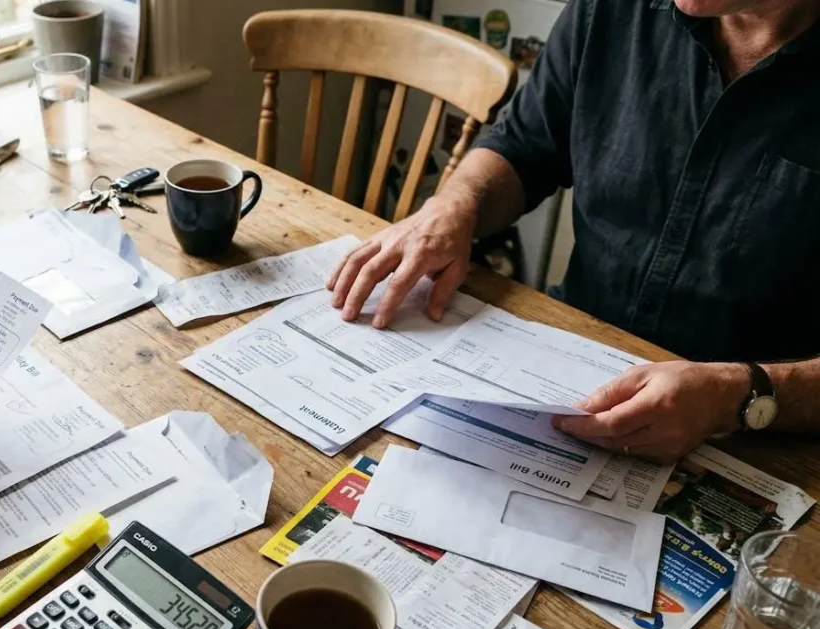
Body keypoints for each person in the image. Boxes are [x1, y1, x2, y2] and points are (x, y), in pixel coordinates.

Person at [327, 0, 820, 462]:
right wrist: (455, 205)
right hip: (567, 376)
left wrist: (740, 395)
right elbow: (524, 146)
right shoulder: (611, 11)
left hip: (758, 437)